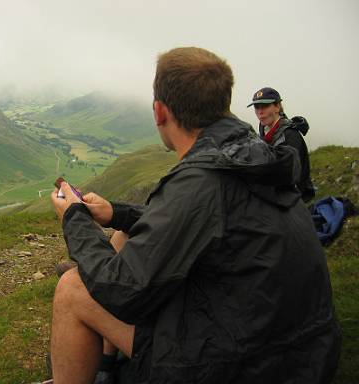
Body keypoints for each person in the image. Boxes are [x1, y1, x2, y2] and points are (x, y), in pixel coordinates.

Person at [50, 47, 341, 384]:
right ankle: (106, 368)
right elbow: (198, 219)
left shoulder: (202, 179)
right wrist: (116, 213)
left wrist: (73, 216)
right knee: (126, 235)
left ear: (160, 112)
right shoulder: (251, 152)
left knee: (72, 289)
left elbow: (122, 292)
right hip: (303, 350)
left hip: (240, 367)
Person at [247, 87, 316, 202]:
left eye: (264, 106)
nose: (260, 112)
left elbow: (291, 176)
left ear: (277, 107)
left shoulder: (290, 136)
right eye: (256, 107)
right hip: (276, 191)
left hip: (295, 197)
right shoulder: (264, 131)